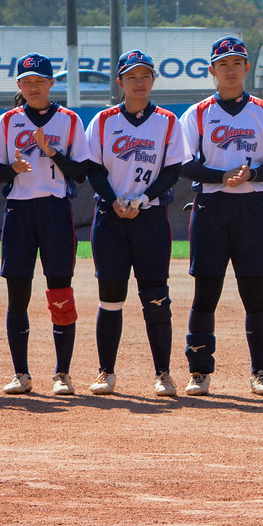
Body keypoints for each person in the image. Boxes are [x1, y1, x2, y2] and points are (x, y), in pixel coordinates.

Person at [178, 37, 263, 397]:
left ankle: (260, 372)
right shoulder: (196, 114)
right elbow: (184, 164)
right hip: (210, 206)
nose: (230, 69)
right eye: (223, 64)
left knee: (254, 292)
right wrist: (220, 176)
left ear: (246, 68)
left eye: (236, 63)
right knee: (205, 292)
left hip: (252, 207)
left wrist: (251, 176)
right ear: (212, 70)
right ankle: (199, 372)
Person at [81, 50, 189, 397]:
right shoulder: (102, 121)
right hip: (110, 219)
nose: (139, 82)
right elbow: (93, 168)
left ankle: (163, 374)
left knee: (156, 296)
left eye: (145, 76)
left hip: (151, 217)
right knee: (111, 298)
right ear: (120, 82)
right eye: (131, 77)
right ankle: (105, 372)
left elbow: (173, 169)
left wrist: (143, 198)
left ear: (153, 80)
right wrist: (113, 200)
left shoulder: (168, 121)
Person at [0, 53, 90, 396]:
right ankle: (22, 374)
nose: (34, 87)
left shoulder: (69, 120)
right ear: (19, 85)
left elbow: (81, 172)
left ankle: (62, 374)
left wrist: (53, 153)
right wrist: (14, 169)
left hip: (55, 210)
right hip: (19, 212)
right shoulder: (6, 122)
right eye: (27, 82)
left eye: (40, 81)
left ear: (51, 83)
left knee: (60, 291)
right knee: (17, 295)